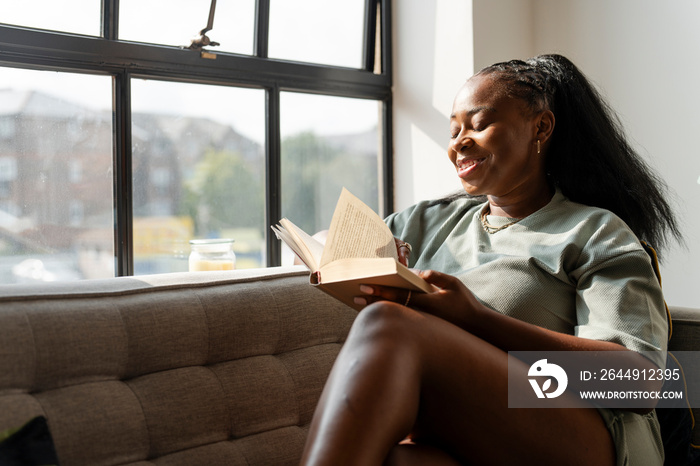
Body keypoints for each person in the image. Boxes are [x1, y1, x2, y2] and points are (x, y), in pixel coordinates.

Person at [299, 54, 682, 466]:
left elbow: (638, 384)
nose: (459, 141)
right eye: (454, 130)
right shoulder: (431, 220)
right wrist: (364, 252)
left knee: (388, 323)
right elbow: (328, 238)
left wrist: (476, 318)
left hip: (587, 436)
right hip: (477, 435)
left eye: (479, 125)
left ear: (542, 127)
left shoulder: (593, 232)